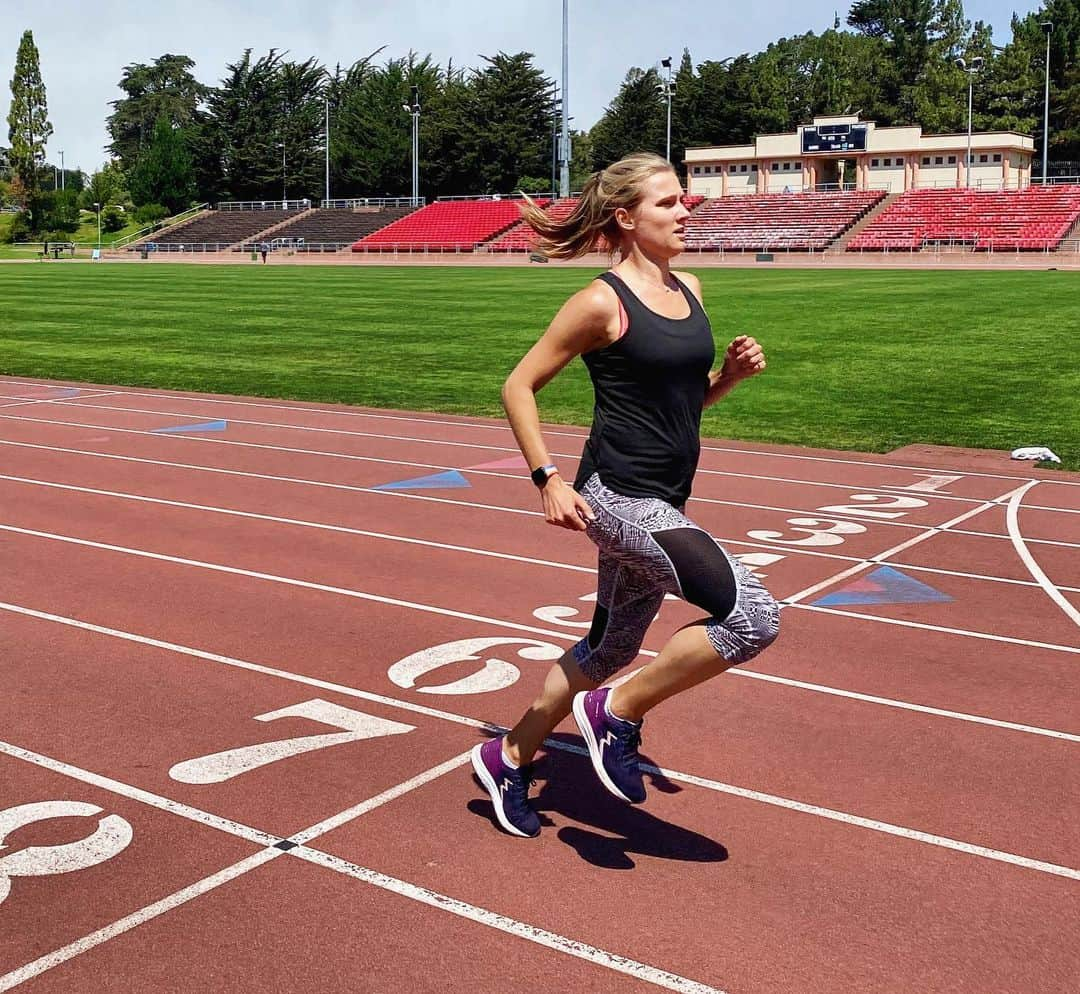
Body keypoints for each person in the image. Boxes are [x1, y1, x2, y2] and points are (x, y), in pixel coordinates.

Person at [471, 152, 780, 838]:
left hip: (666, 496)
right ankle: (617, 714)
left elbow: (677, 405)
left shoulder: (691, 287)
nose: (684, 212)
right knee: (753, 615)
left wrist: (726, 378)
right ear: (626, 217)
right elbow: (517, 386)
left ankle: (508, 755)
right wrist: (546, 479)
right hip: (618, 499)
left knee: (607, 650)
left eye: (683, 200)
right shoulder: (599, 301)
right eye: (667, 203)